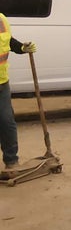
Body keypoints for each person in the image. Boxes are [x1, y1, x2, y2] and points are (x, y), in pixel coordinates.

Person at [0, 11, 37, 170]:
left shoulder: (1, 19)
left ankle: (11, 161)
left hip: (2, 83)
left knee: (7, 121)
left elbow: (7, 41)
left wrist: (21, 47)